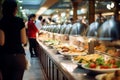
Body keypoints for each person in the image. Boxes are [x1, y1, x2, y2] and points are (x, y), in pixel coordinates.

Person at [0, 0, 27, 80]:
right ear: (15, 9)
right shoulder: (19, 21)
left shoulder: (1, 22)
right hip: (18, 57)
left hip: (4, 58)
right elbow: (24, 41)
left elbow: (1, 42)